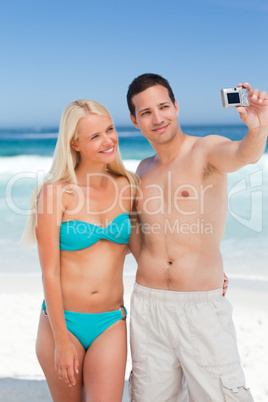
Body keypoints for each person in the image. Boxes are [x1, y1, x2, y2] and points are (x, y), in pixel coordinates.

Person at [127, 73, 268, 401]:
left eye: (163, 106)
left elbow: (243, 155)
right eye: (146, 112)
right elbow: (135, 236)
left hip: (200, 308)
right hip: (147, 307)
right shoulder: (141, 171)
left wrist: (258, 128)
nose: (157, 118)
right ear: (135, 121)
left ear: (176, 107)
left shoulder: (205, 150)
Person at [23, 100, 139, 402]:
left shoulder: (128, 186)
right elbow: (50, 271)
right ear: (74, 143)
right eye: (95, 136)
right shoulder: (55, 193)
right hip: (63, 323)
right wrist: (61, 340)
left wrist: (199, 274)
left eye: (110, 130)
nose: (108, 140)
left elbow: (145, 251)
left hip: (111, 321)